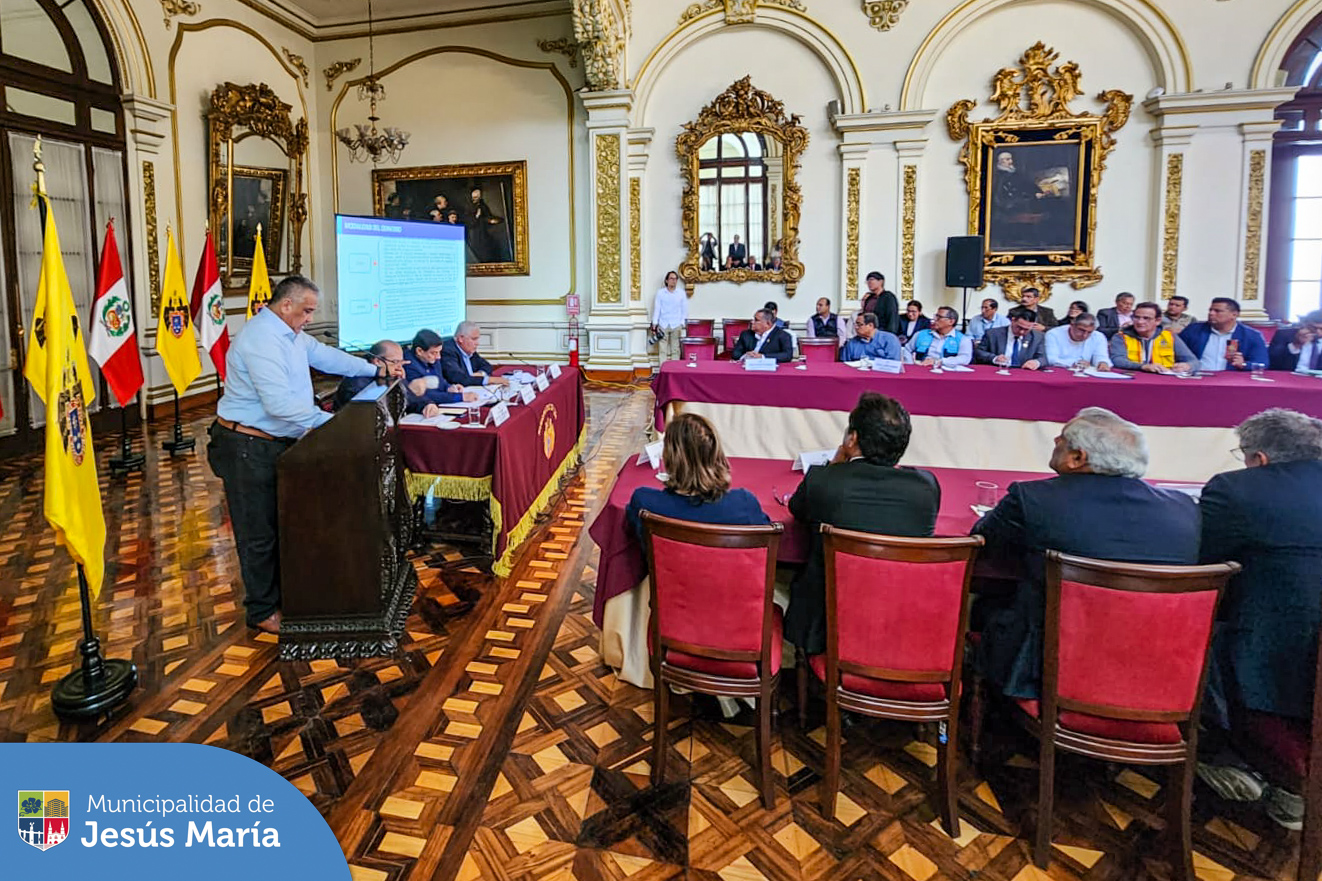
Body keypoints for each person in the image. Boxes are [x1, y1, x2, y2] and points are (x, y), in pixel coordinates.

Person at [208, 276, 403, 634]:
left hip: (276, 443)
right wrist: (334, 424)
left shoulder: (291, 334)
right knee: (258, 531)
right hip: (247, 447)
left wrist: (377, 369)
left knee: (283, 523)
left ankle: (289, 593)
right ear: (286, 305)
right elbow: (279, 404)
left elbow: (329, 358)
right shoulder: (260, 340)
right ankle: (262, 610)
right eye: (307, 311)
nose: (311, 318)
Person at [972, 407, 1201, 698]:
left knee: (986, 605)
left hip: (1046, 669)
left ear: (1078, 458)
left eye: (1063, 439)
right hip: (1160, 673)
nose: (1055, 439)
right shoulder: (1185, 510)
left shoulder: (1033, 500)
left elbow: (983, 543)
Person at [1196, 409, 1322, 830]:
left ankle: (1226, 755)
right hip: (1305, 659)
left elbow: (1204, 568)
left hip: (1267, 661)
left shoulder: (1236, 490)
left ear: (1260, 460)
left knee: (1195, 631)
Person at [605, 413, 770, 687]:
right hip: (738, 621)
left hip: (676, 614)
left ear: (668, 460)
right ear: (717, 455)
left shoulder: (645, 502)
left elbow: (638, 544)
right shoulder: (745, 504)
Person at [785, 392, 940, 654]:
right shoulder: (926, 488)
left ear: (852, 438)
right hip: (903, 623)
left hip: (827, 625)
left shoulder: (823, 482)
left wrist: (834, 465)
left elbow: (797, 509)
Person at [334, 339, 475, 414]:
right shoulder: (356, 382)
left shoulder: (392, 373)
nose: (399, 367)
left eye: (401, 362)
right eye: (395, 362)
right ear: (377, 361)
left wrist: (427, 405)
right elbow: (377, 413)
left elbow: (411, 397)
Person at [1180, 297, 1269, 372]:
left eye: (1217, 311)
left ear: (1234, 315)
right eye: (1210, 310)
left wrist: (1244, 364)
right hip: (1197, 378)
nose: (1211, 313)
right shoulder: (1193, 330)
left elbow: (1262, 363)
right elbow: (1176, 354)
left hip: (1231, 381)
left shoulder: (1252, 336)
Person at [1109, 301, 1199, 373]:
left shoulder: (1169, 336)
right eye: (1137, 317)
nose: (1140, 322)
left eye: (1146, 318)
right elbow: (1117, 360)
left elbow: (1194, 361)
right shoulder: (1121, 337)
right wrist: (1143, 366)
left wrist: (1188, 366)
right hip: (1133, 379)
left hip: (1165, 381)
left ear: (1158, 320)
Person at [405, 329, 485, 406]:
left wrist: (449, 387)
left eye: (439, 352)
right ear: (419, 351)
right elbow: (426, 394)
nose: (438, 357)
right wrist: (461, 397)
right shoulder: (409, 365)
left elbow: (440, 381)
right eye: (434, 353)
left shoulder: (434, 359)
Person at [440, 320, 510, 387]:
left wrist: (480, 374)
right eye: (474, 339)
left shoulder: (468, 350)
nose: (477, 343)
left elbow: (487, 366)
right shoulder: (448, 351)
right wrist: (488, 380)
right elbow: (457, 378)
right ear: (461, 338)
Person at [974, 305, 1046, 370]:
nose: (1022, 332)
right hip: (998, 371)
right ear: (1013, 320)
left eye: (1026, 329)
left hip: (1024, 373)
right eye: (1019, 327)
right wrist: (994, 358)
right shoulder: (992, 334)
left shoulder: (1037, 337)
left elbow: (1043, 358)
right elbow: (979, 353)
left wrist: (1036, 362)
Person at [905, 306, 972, 366]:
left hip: (948, 373)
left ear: (951, 321)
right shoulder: (920, 334)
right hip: (921, 369)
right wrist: (911, 365)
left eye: (939, 317)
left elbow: (965, 359)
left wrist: (940, 362)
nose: (935, 319)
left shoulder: (963, 340)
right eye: (935, 316)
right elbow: (907, 349)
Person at [1044, 312, 1111, 370]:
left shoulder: (1098, 336)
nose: (1085, 335)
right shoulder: (1054, 334)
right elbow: (1051, 359)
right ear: (1072, 325)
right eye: (1081, 330)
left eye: (1089, 332)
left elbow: (1101, 356)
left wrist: (1102, 363)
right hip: (1060, 372)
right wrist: (1075, 363)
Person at [650, 271, 688, 363]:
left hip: (676, 324)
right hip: (663, 324)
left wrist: (682, 323)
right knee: (662, 350)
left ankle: (675, 370)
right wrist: (655, 323)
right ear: (667, 280)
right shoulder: (660, 293)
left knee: (676, 350)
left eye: (675, 279)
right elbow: (657, 308)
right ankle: (663, 371)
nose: (674, 281)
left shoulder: (681, 293)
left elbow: (684, 309)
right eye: (671, 278)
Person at [861, 271, 900, 336]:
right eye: (867, 281)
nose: (869, 283)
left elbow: (892, 316)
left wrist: (890, 334)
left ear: (881, 281)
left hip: (882, 332)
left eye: (871, 280)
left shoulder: (888, 297)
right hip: (868, 332)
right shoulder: (869, 298)